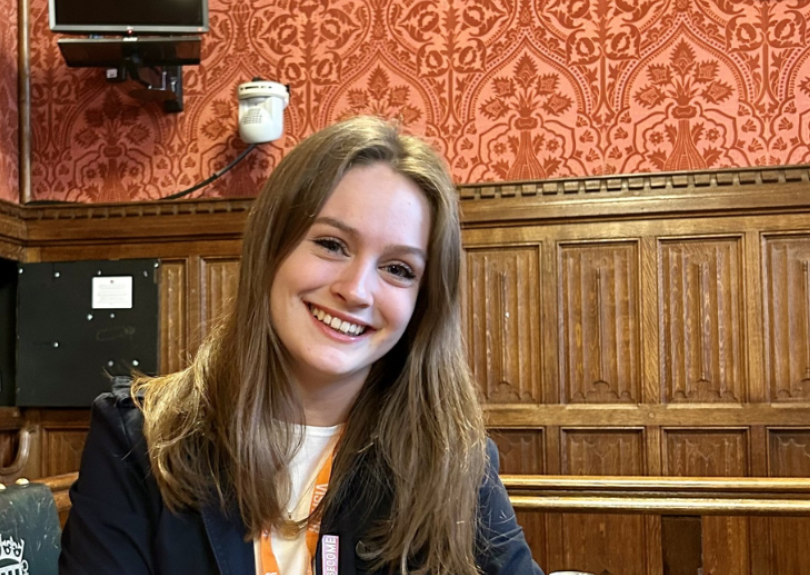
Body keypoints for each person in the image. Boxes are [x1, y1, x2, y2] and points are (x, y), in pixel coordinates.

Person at [59, 116, 543, 575]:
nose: (356, 290)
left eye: (398, 269)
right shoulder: (136, 440)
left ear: (424, 303)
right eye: (332, 244)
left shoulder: (452, 456)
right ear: (272, 248)